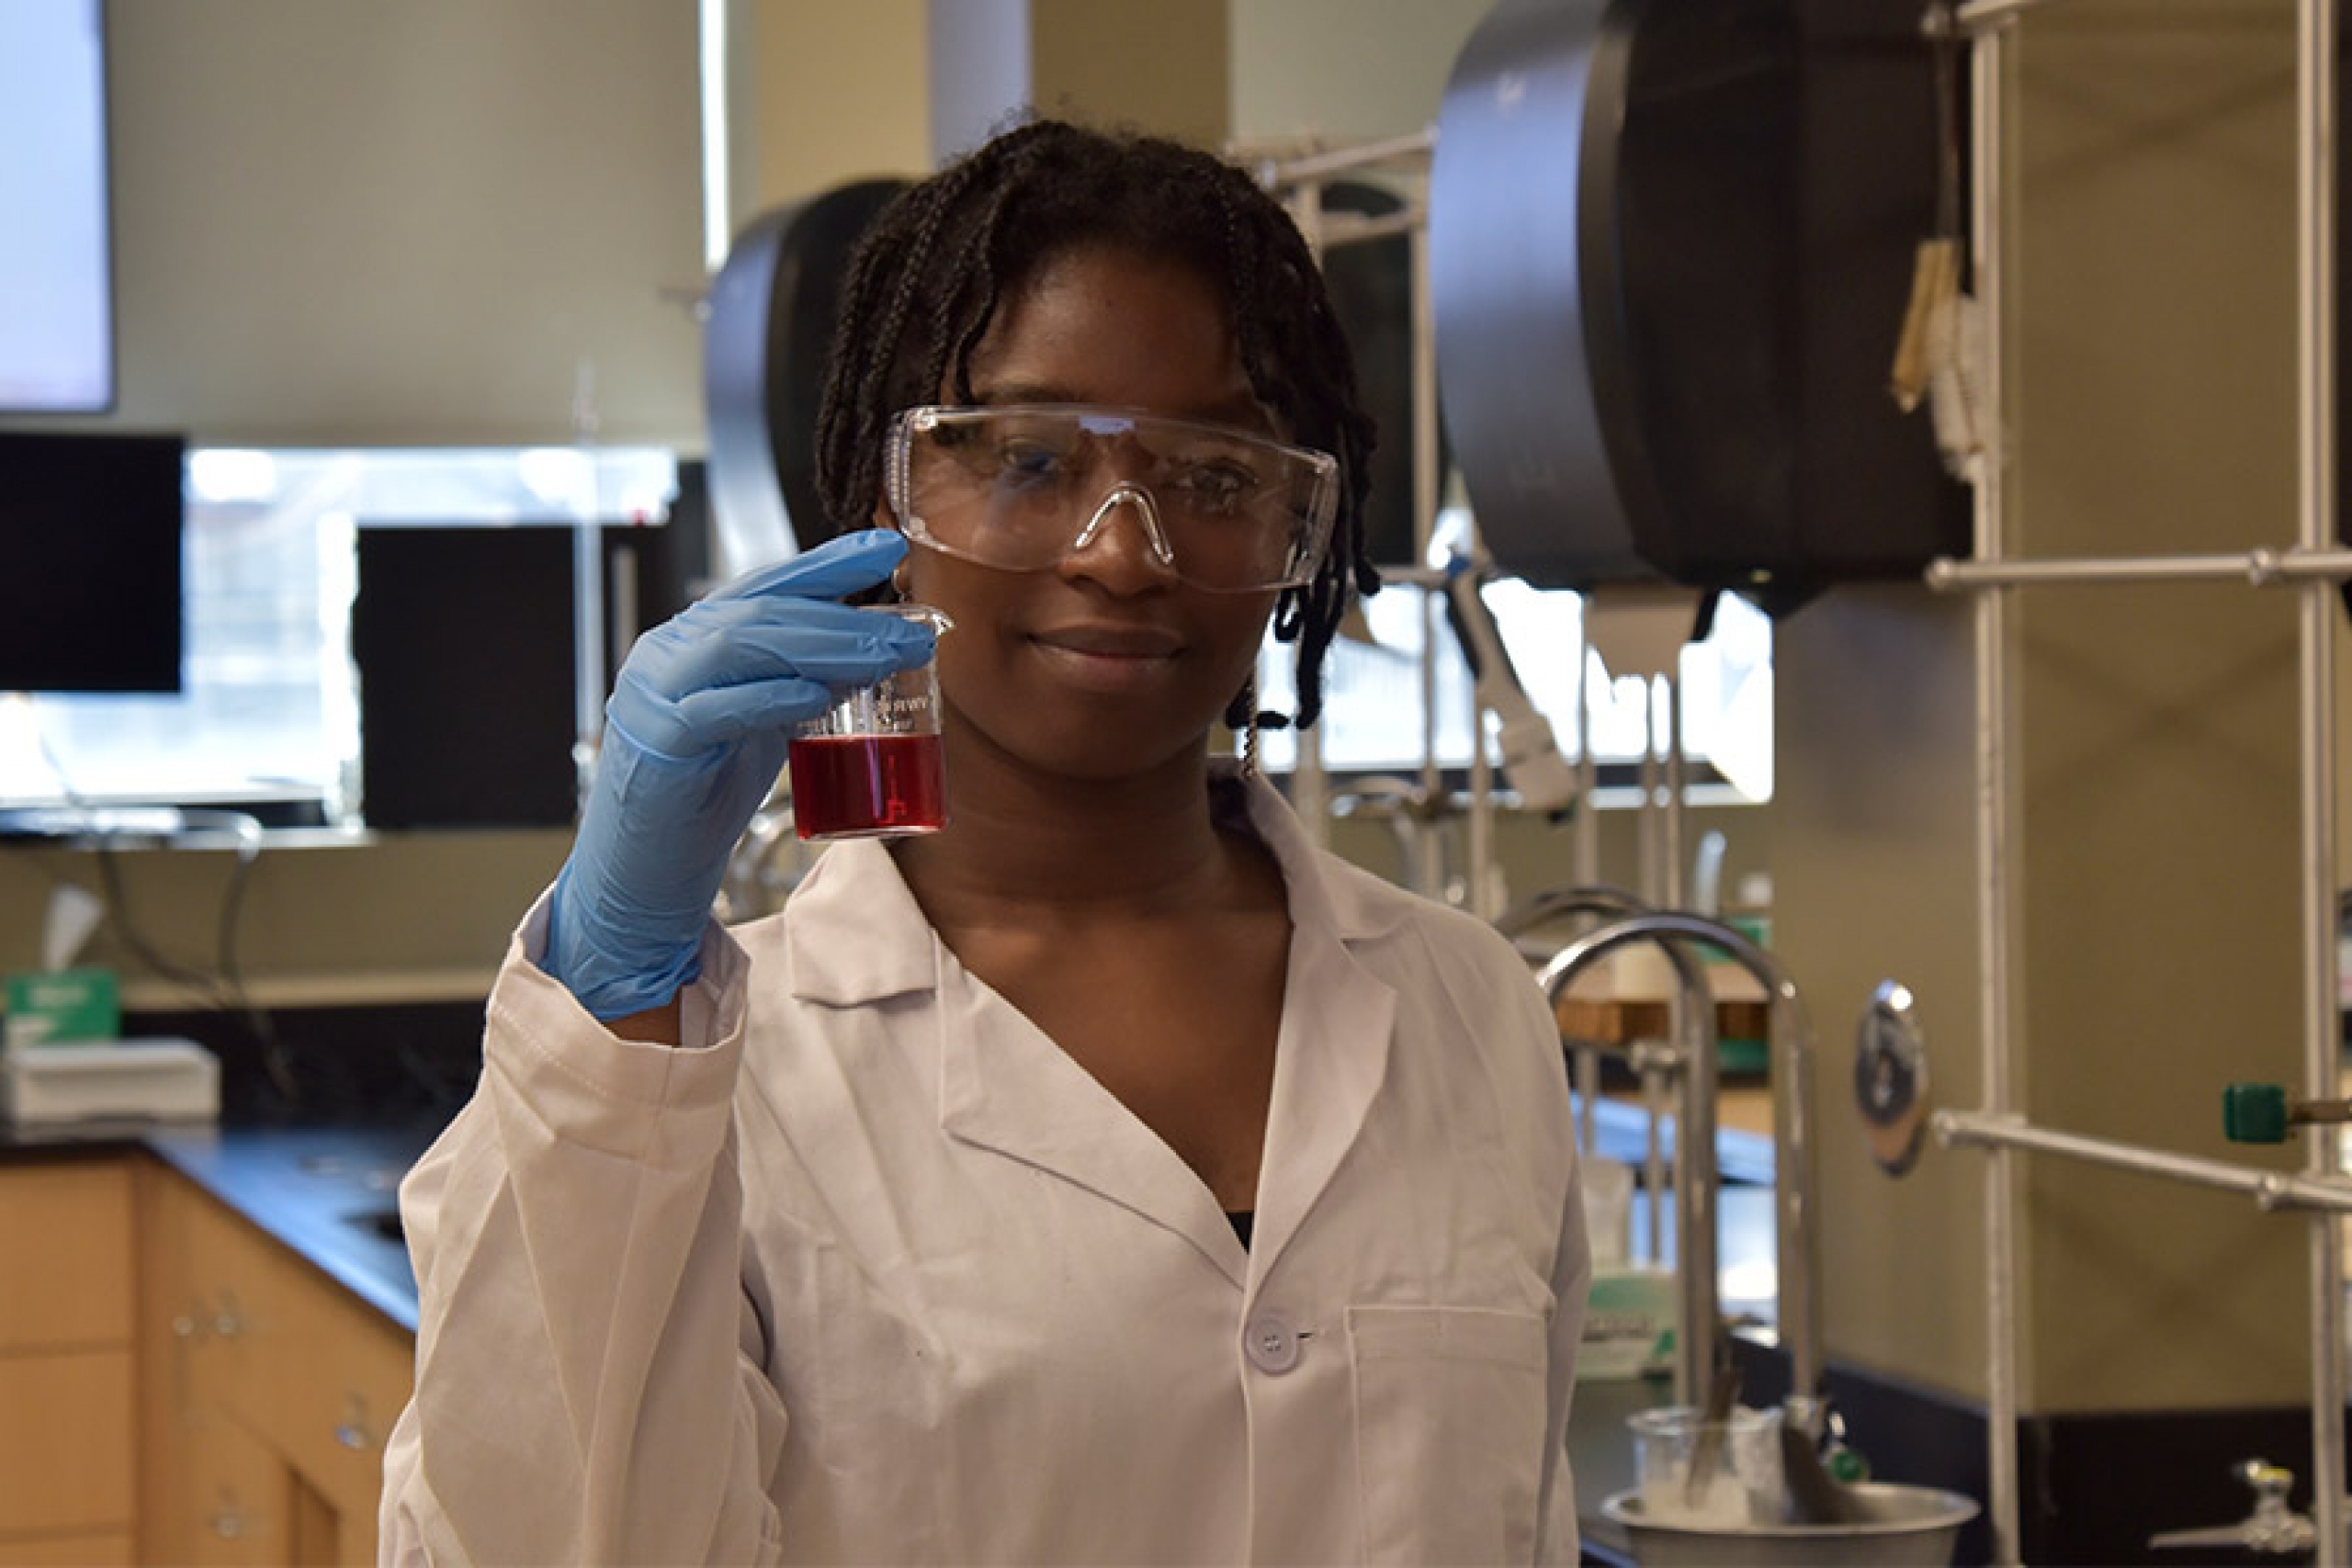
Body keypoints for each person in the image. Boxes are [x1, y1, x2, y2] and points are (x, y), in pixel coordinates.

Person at [379, 117, 1589, 1566]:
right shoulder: (701, 1077)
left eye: (1211, 478)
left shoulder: (1469, 1009)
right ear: (884, 497)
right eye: (1025, 458)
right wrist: (608, 1009)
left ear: (1296, 525)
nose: (1121, 552)